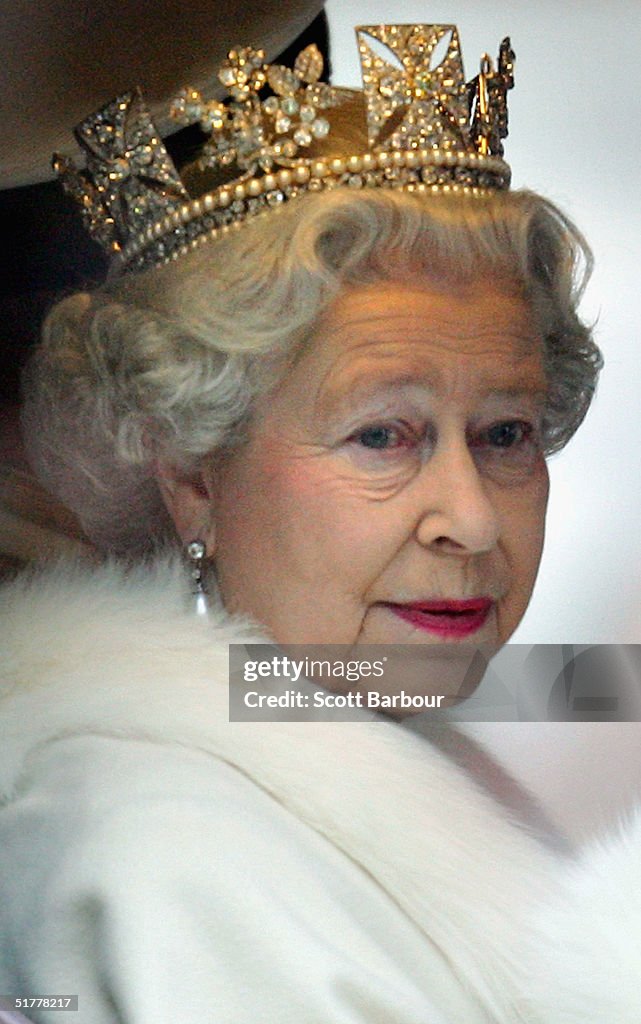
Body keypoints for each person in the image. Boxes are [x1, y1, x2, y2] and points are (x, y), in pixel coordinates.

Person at [1, 19, 638, 1024]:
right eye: (382, 435)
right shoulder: (159, 854)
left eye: (505, 432)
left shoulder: (413, 730)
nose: (470, 520)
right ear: (190, 476)